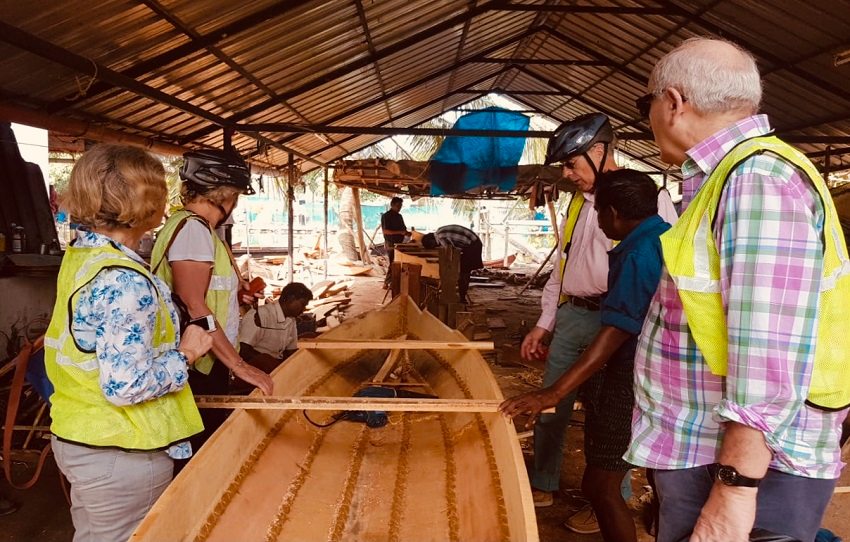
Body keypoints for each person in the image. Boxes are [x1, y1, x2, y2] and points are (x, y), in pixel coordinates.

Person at [627, 37, 850, 542]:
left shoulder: (757, 179)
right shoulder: (729, 177)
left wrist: (734, 488)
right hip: (715, 450)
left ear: (673, 103)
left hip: (743, 463)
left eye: (649, 105)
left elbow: (766, 349)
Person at [44, 145, 213, 542]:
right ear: (149, 203)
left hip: (80, 435)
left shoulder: (84, 256)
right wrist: (187, 352)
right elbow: (126, 385)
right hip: (121, 447)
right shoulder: (125, 281)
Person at [519, 113, 678, 524]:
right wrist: (545, 321)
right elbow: (563, 264)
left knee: (612, 413)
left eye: (572, 163)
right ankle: (546, 481)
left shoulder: (644, 200)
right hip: (579, 313)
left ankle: (607, 497)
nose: (568, 174)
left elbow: (664, 274)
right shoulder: (578, 204)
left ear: (598, 151)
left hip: (617, 321)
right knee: (556, 401)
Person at [151, 149, 274, 456]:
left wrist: (236, 295)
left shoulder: (197, 228)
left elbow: (203, 293)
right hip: (197, 363)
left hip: (204, 357)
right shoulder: (193, 229)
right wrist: (240, 365)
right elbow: (193, 305)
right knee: (199, 451)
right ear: (226, 195)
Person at [238, 282, 313, 373]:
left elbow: (291, 351)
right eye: (302, 304)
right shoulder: (260, 315)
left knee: (311, 337)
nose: (303, 309)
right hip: (254, 367)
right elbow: (243, 350)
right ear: (290, 299)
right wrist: (267, 362)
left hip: (275, 364)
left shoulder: (290, 319)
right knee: (265, 360)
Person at [421, 224, 483, 301]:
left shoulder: (441, 238)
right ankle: (462, 295)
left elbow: (451, 253)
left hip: (473, 244)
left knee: (464, 271)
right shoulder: (439, 231)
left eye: (433, 245)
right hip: (473, 241)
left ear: (431, 241)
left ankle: (462, 297)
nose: (435, 246)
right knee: (464, 270)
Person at [381, 196, 408, 287]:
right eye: (398, 206)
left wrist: (407, 233)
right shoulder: (386, 216)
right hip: (390, 243)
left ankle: (393, 282)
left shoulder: (399, 216)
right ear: (392, 205)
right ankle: (387, 282)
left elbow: (403, 229)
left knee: (398, 262)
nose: (399, 208)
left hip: (400, 243)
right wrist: (400, 232)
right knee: (393, 262)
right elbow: (385, 231)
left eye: (400, 206)